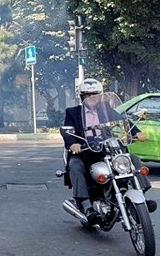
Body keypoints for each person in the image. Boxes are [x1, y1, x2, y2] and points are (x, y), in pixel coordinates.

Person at [63, 78, 155, 223]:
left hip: (107, 149)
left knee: (133, 159)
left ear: (100, 95)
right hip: (85, 151)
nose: (92, 97)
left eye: (95, 94)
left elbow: (123, 120)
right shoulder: (73, 112)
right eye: (88, 94)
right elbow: (67, 132)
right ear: (82, 97)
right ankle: (87, 206)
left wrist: (136, 132)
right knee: (75, 165)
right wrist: (73, 144)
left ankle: (141, 196)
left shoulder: (106, 109)